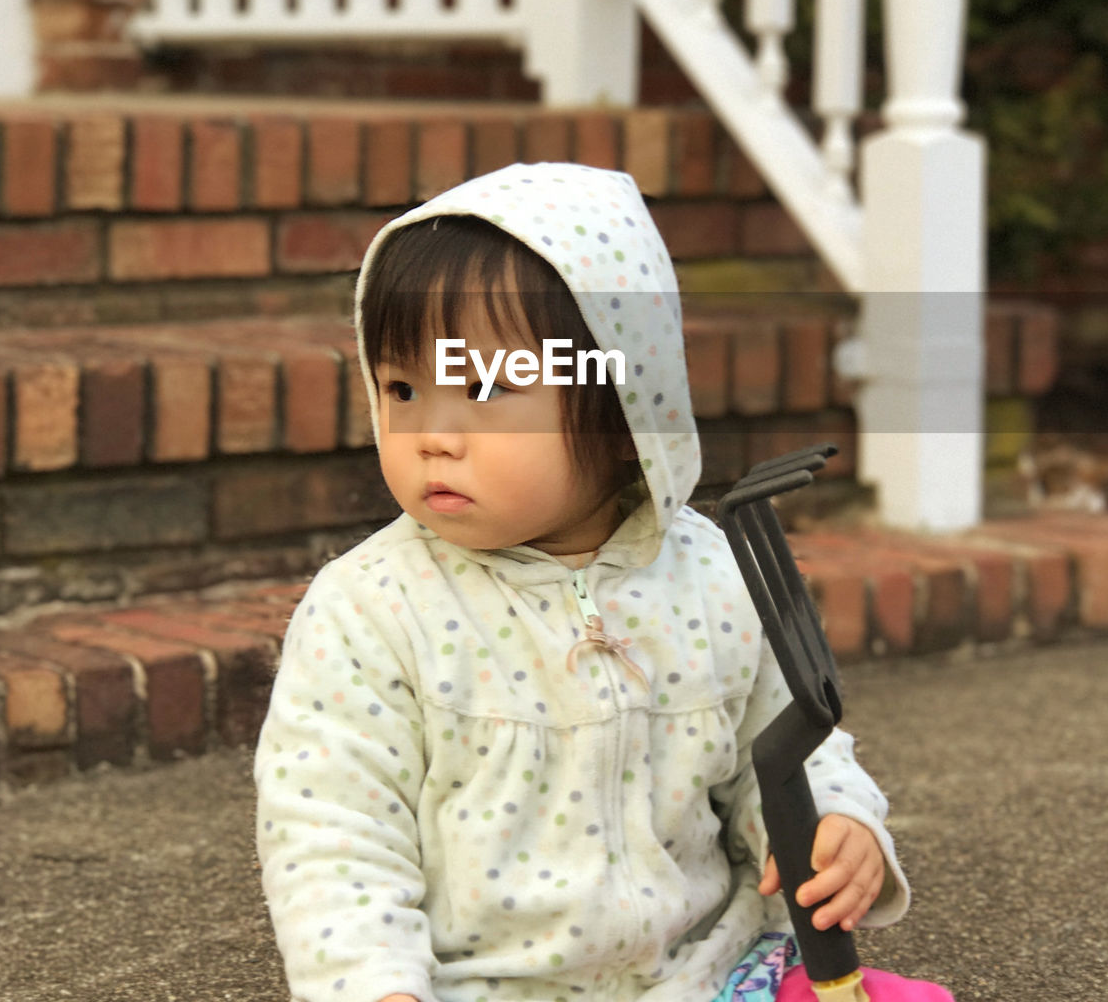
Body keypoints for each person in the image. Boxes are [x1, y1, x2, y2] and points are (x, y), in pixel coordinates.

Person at [254, 163, 915, 1002]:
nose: (430, 434)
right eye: (402, 388)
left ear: (621, 404)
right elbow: (333, 834)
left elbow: (783, 752)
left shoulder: (710, 574)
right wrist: (374, 985)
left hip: (706, 974)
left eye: (484, 387)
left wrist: (837, 829)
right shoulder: (371, 609)